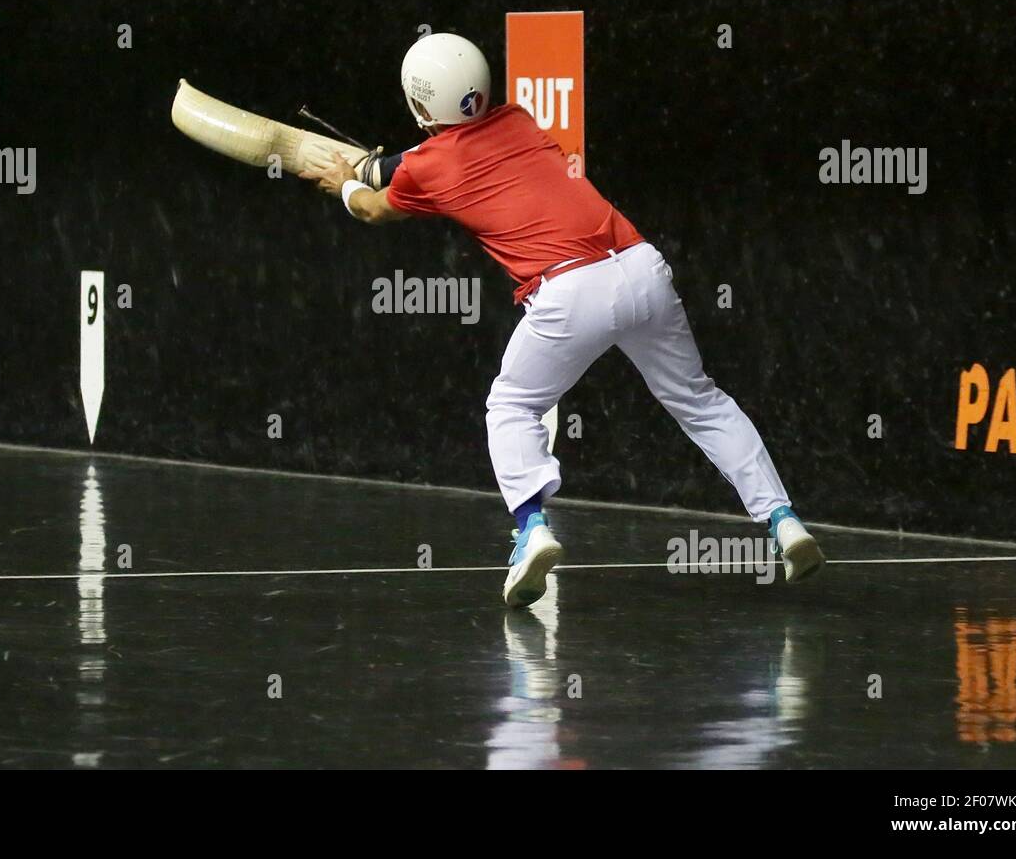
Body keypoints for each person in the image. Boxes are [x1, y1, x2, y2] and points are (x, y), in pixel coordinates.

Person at [300, 33, 824, 607]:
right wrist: (378, 164)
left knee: (511, 405)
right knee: (701, 400)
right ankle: (783, 520)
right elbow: (426, 158)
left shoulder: (428, 167)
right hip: (642, 267)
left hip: (570, 293)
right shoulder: (519, 121)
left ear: (419, 106)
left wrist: (345, 181)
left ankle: (531, 531)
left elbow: (377, 206)